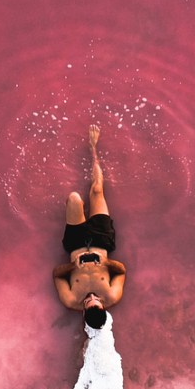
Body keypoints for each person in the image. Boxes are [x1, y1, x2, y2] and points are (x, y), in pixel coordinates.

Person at [52, 125, 127, 329]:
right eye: (96, 299)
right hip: (101, 240)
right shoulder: (112, 295)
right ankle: (93, 148)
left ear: (83, 310)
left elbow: (57, 274)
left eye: (88, 300)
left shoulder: (70, 300)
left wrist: (73, 267)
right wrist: (105, 263)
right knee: (97, 190)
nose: (92, 296)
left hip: (76, 244)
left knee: (74, 198)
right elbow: (121, 271)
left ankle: (75, 211)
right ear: (103, 306)